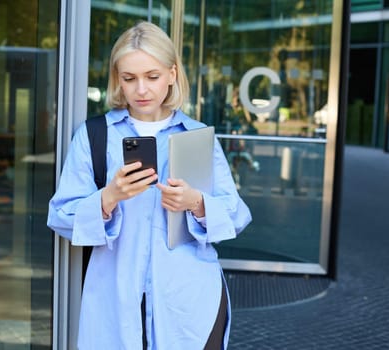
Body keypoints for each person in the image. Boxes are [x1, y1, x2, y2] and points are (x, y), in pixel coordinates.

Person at [47, 21, 252, 350]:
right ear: (118, 79)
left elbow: (237, 215)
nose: (141, 90)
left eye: (152, 77)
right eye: (129, 78)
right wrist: (108, 198)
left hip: (190, 303)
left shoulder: (197, 137)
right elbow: (59, 215)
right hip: (115, 301)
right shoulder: (94, 136)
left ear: (172, 74)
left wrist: (196, 202)